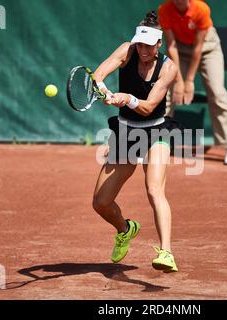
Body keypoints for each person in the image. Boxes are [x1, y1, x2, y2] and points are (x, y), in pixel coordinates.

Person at [91, 11, 180, 272]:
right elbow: (97, 75)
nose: (143, 49)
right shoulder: (126, 51)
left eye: (149, 45)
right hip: (126, 132)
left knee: (154, 188)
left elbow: (150, 105)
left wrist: (126, 98)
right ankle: (125, 229)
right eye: (140, 43)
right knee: (100, 202)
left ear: (159, 44)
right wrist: (106, 92)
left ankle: (166, 252)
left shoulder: (168, 67)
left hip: (155, 131)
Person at [158, 0, 227, 166]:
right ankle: (160, 142)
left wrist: (189, 81)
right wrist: (179, 81)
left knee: (218, 92)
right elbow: (171, 46)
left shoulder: (201, 9)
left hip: (207, 50)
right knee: (166, 91)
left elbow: (198, 48)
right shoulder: (164, 10)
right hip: (179, 50)